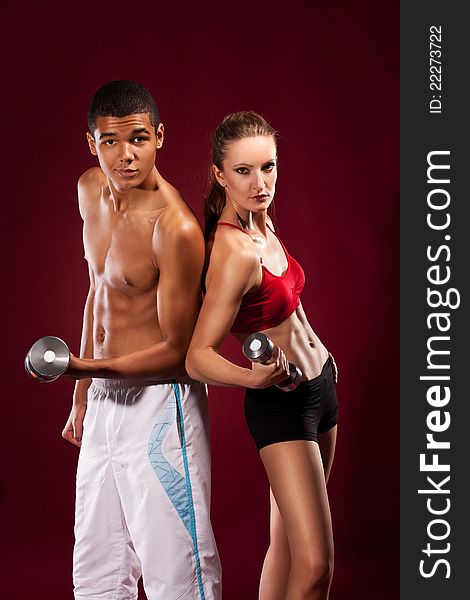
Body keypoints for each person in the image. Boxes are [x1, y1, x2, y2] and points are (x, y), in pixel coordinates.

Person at [61, 80, 221, 600]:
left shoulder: (174, 227)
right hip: (104, 400)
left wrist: (83, 370)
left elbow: (179, 352)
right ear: (92, 143)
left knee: (177, 572)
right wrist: (82, 397)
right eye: (110, 141)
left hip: (160, 409)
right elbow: (96, 292)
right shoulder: (90, 191)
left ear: (159, 137)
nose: (125, 155)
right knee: (96, 567)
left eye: (138, 139)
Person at [186, 111, 339, 600]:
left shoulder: (262, 224)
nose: (260, 182)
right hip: (284, 403)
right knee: (315, 567)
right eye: (244, 171)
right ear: (219, 175)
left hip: (321, 386)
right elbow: (197, 357)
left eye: (268, 167)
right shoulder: (232, 249)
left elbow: (284, 303)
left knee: (287, 546)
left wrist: (321, 355)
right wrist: (253, 381)